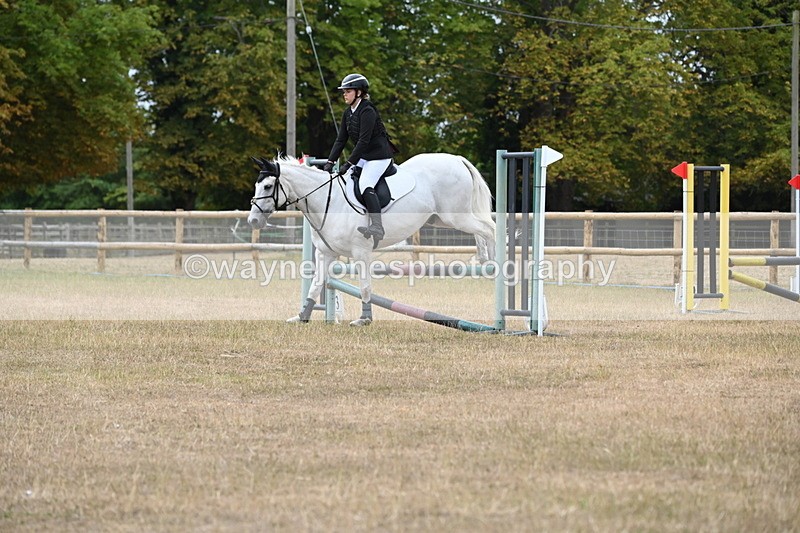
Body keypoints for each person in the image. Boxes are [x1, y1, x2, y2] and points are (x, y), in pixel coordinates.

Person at [323, 73, 397, 247]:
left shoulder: (367, 110)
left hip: (380, 156)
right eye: (344, 92)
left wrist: (349, 163)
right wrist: (330, 162)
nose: (344, 95)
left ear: (359, 92)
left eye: (348, 91)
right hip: (365, 157)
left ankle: (377, 226)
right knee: (345, 180)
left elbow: (363, 141)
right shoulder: (348, 113)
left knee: (365, 184)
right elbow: (341, 140)